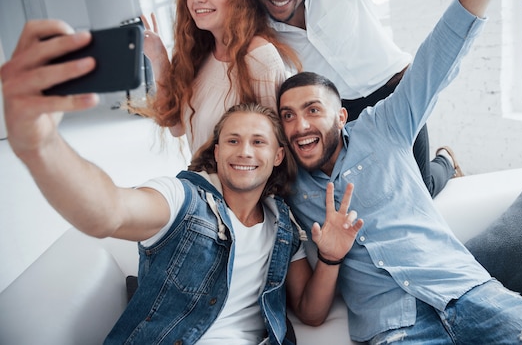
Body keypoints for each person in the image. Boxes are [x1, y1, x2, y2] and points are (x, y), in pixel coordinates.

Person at [275, 0, 522, 343]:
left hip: (469, 294)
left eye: (312, 110)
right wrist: (329, 255)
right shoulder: (291, 190)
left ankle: (444, 163)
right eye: (288, 116)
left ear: (341, 116)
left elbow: (440, 53)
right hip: (395, 329)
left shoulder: (382, 126)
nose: (301, 125)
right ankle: (446, 165)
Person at [0, 20, 364, 343]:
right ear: (217, 152)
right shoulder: (183, 199)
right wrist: (40, 144)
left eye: (259, 142)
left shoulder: (283, 225)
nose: (245, 153)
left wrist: (330, 258)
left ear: (278, 156)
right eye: (233, 141)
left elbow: (310, 312)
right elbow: (109, 212)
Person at [242, 0, 470, 198]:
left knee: (422, 189)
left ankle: (445, 159)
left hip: (397, 93)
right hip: (345, 115)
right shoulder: (256, 27)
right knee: (369, 195)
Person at [139, 0, 301, 155]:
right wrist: (158, 58)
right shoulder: (199, 55)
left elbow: (274, 147)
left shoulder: (259, 57)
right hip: (201, 182)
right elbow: (177, 127)